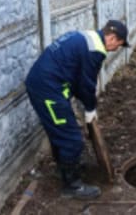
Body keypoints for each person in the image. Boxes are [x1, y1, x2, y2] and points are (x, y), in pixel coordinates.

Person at [25, 20, 129, 199]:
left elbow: (76, 76)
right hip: (48, 91)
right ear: (111, 38)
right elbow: (86, 84)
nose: (117, 49)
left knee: (60, 133)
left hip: (45, 84)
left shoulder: (84, 37)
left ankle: (65, 168)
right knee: (72, 139)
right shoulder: (95, 50)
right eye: (119, 44)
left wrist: (85, 103)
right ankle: (71, 186)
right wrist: (90, 109)